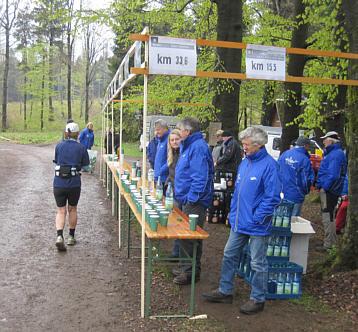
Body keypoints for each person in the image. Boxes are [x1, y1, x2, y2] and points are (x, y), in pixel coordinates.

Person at [203, 126, 281, 315]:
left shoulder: (270, 165)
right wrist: (232, 214)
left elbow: (272, 197)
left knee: (257, 262)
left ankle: (258, 299)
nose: (243, 147)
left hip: (257, 225)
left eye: (246, 144)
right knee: (229, 254)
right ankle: (225, 290)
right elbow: (238, 192)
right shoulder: (245, 163)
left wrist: (258, 217)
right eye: (243, 144)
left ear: (259, 145)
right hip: (240, 221)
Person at [172, 117, 215, 285]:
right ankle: (186, 267)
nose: (178, 132)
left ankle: (189, 272)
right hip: (186, 199)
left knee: (190, 237)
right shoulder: (190, 145)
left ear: (187, 131)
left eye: (180, 129)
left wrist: (191, 199)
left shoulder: (197, 148)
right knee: (187, 237)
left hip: (194, 202)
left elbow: (200, 178)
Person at [53, 122, 89, 251]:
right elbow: (86, 167)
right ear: (77, 134)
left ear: (66, 133)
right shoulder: (81, 148)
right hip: (74, 183)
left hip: (59, 183)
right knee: (72, 209)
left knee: (60, 210)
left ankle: (59, 236)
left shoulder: (59, 146)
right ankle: (71, 237)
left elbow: (56, 162)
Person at [316, 131, 347, 251]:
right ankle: (329, 242)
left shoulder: (335, 155)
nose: (323, 142)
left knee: (327, 217)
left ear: (331, 141)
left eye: (325, 140)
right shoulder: (335, 153)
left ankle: (329, 245)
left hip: (330, 191)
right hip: (332, 190)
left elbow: (333, 175)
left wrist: (325, 187)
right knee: (330, 216)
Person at [278, 136, 315, 216]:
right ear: (305, 146)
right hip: (296, 194)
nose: (309, 147)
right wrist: (304, 191)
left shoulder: (285, 154)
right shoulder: (304, 159)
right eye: (308, 145)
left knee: (282, 219)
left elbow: (277, 170)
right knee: (293, 221)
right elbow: (306, 180)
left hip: (282, 192)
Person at [163, 129, 181, 259]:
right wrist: (166, 184)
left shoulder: (184, 153)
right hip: (173, 191)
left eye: (176, 139)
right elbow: (172, 173)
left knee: (180, 223)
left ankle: (180, 253)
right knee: (174, 221)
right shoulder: (171, 154)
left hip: (182, 193)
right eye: (172, 140)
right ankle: (176, 250)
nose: (174, 142)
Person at [154, 119, 170, 185]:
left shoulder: (170, 140)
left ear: (165, 129)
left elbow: (171, 160)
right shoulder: (161, 140)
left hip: (165, 179)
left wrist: (160, 172)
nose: (156, 132)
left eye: (158, 130)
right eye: (156, 130)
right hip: (158, 177)